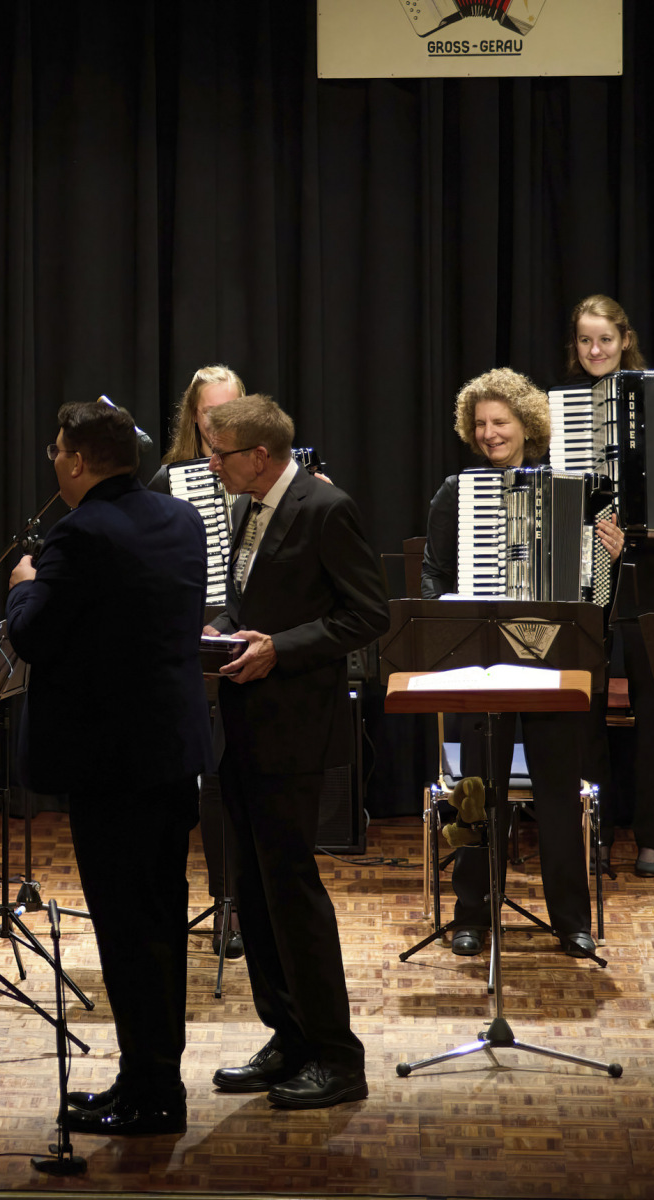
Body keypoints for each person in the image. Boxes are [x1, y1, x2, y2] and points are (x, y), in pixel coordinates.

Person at [4, 400, 211, 1136]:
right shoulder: (182, 519)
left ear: (77, 460)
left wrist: (22, 584)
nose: (54, 461)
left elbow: (32, 637)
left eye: (57, 450)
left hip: (110, 765)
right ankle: (152, 1080)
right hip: (171, 755)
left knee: (126, 932)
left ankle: (150, 1096)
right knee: (160, 924)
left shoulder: (80, 532)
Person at [203, 394, 388, 1109]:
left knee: (292, 891)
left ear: (260, 455)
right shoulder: (250, 505)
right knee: (252, 889)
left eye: (220, 452)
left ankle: (338, 1057)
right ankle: (288, 1036)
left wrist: (279, 648)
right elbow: (249, 600)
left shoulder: (325, 508)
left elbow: (367, 614)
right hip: (243, 722)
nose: (210, 463)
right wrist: (221, 629)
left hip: (294, 728)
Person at [422, 367, 621, 958]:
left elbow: (596, 599)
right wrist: (451, 618)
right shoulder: (457, 493)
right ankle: (470, 914)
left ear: (526, 425)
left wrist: (610, 561)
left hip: (550, 659)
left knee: (557, 793)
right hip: (481, 661)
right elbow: (433, 573)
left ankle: (571, 920)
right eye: (480, 423)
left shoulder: (574, 489)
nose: (489, 433)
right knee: (477, 792)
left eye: (500, 422)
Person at [564, 295, 654, 877]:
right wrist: (593, 529)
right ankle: (595, 830)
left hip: (651, 571)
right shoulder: (568, 407)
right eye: (585, 340)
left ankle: (653, 837)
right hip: (589, 570)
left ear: (624, 339)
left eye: (604, 338)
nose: (595, 349)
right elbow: (562, 493)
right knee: (586, 705)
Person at [149, 365, 247, 960]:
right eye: (209, 414)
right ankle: (215, 904)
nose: (218, 424)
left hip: (253, 638)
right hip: (192, 642)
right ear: (194, 417)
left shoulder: (266, 471)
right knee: (204, 778)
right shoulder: (169, 481)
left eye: (229, 411)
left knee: (237, 778)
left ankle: (242, 902)